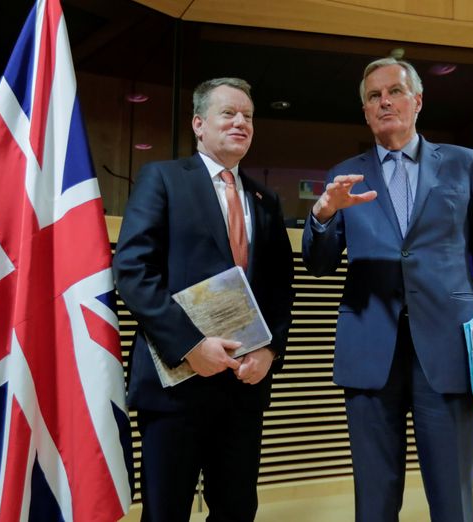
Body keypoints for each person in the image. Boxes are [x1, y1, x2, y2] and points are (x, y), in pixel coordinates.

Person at [302, 57, 473, 522]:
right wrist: (322, 214)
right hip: (369, 353)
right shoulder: (345, 174)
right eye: (374, 96)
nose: (385, 102)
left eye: (395, 91)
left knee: (453, 499)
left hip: (449, 353)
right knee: (375, 501)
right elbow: (319, 265)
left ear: (417, 101)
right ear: (365, 112)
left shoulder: (464, 165)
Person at [114, 77, 294, 522]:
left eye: (248, 116)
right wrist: (192, 346)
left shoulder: (265, 199)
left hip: (243, 385)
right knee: (165, 511)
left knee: (236, 510)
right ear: (198, 123)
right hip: (176, 381)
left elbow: (279, 288)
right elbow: (134, 272)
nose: (241, 122)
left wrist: (270, 349)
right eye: (228, 113)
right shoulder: (163, 179)